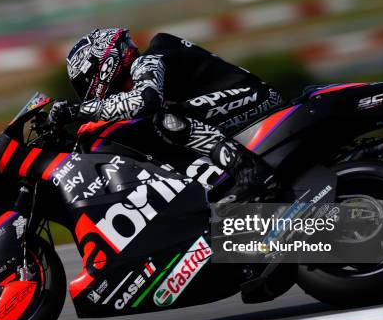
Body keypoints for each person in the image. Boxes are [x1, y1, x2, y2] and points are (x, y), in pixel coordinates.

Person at [50, 28, 284, 202]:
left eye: (84, 82)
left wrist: (77, 111)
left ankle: (252, 172)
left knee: (167, 121)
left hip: (256, 96)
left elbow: (145, 101)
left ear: (104, 64)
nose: (86, 93)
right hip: (233, 104)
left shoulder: (148, 60)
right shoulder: (145, 65)